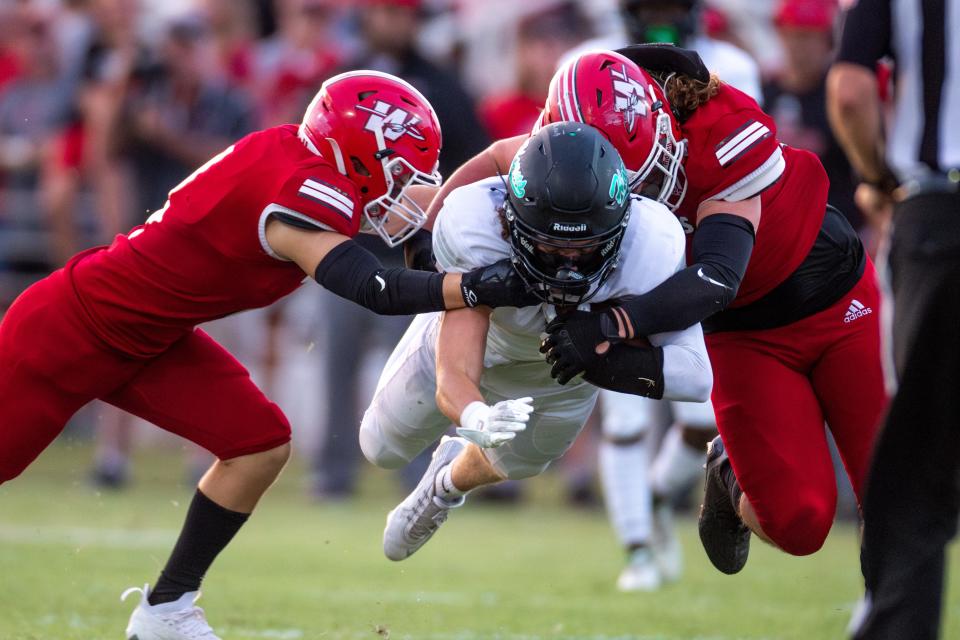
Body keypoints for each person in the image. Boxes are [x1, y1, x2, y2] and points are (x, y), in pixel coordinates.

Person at [0, 70, 536, 640]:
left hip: (152, 340)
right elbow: (371, 288)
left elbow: (416, 212)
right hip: (71, 328)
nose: (408, 187)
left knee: (258, 444)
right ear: (354, 154)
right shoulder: (298, 192)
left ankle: (166, 610)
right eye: (399, 171)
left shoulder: (305, 158)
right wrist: (474, 286)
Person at [426, 45, 888, 577]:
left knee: (890, 490)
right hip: (744, 337)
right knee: (798, 525)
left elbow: (716, 277)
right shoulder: (564, 146)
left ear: (661, 113)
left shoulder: (720, 131)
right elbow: (499, 157)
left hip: (837, 300)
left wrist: (610, 324)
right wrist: (430, 232)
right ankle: (725, 470)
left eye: (646, 174)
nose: (646, 191)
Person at [360, 121, 713, 562]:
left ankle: (444, 484)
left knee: (521, 464)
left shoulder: (650, 244)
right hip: (489, 345)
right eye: (550, 247)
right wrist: (475, 414)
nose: (568, 263)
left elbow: (696, 378)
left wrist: (601, 348)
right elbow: (454, 371)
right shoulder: (477, 227)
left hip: (560, 380)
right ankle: (454, 453)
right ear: (513, 221)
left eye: (586, 248)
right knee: (380, 447)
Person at [562, 0, 765, 589]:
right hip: (616, 246)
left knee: (704, 412)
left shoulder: (729, 65)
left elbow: (738, 166)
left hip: (692, 248)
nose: (660, 18)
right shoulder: (588, 62)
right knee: (622, 414)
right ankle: (637, 550)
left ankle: (654, 498)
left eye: (670, 6)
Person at [826, 0, 960, 637]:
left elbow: (850, 91)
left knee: (919, 448)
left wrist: (878, 178)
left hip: (939, 214)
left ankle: (890, 619)